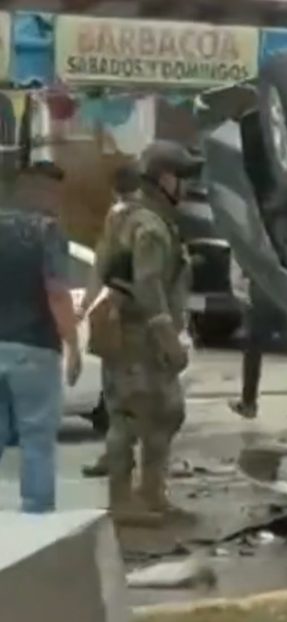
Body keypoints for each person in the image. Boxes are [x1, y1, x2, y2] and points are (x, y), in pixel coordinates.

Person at [97, 140, 199, 525]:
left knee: (159, 414)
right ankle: (126, 499)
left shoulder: (126, 216)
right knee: (135, 416)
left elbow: (105, 269)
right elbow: (148, 281)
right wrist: (166, 335)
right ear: (165, 179)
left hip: (126, 332)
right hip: (141, 337)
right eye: (183, 178)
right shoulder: (150, 226)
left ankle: (150, 493)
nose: (187, 188)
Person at [0, 158, 82, 513]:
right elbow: (56, 293)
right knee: (37, 437)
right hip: (35, 347)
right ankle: (36, 511)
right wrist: (73, 345)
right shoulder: (48, 232)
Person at [78, 163, 141, 478]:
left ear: (115, 190)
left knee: (117, 394)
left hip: (123, 316)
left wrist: (86, 306)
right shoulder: (155, 218)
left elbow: (101, 266)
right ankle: (131, 456)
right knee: (141, 394)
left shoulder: (117, 218)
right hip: (147, 317)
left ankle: (118, 455)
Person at [228, 258, 287, 425]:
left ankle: (249, 403)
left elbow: (240, 262)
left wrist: (242, 293)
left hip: (262, 290)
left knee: (253, 348)